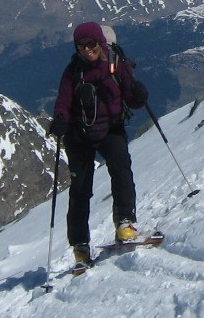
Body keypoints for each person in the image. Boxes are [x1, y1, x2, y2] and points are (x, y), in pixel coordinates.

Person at [50, 21, 149, 266]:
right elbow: (63, 102)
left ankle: (125, 221)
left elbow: (130, 96)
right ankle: (80, 245)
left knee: (121, 169)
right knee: (80, 189)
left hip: (111, 129)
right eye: (81, 46)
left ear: (100, 43)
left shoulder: (116, 66)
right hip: (79, 134)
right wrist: (60, 120)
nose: (87, 49)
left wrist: (138, 95)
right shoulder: (72, 72)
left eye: (91, 44)